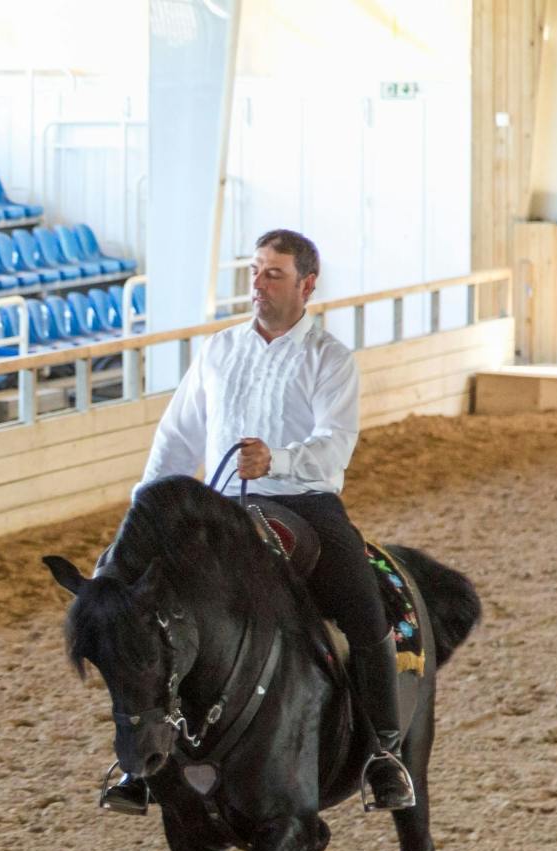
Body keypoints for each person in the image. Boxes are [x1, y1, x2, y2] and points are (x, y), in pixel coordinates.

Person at [109, 227, 415, 816]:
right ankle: (138, 754)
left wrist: (279, 459)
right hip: (218, 506)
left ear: (307, 285)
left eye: (272, 274)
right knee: (137, 607)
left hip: (305, 501)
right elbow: (176, 438)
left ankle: (383, 749)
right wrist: (143, 510)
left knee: (362, 604)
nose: (258, 284)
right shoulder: (220, 350)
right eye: (253, 271)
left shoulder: (330, 359)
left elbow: (334, 446)